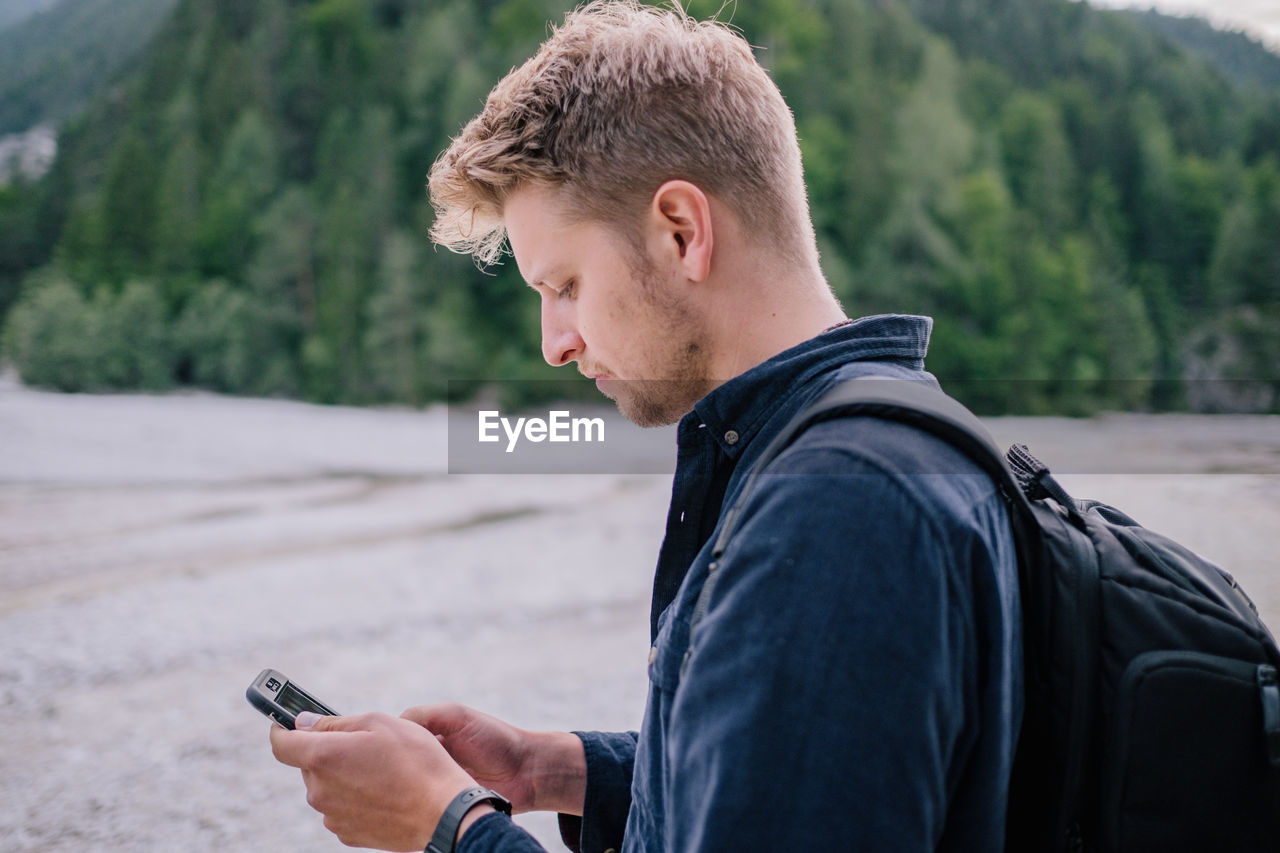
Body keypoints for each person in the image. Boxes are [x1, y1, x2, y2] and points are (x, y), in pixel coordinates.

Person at [268, 2, 1023, 851]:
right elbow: (795, 777)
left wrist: (448, 827)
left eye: (565, 286)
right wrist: (556, 770)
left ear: (680, 232)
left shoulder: (837, 508)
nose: (555, 344)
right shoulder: (856, 441)